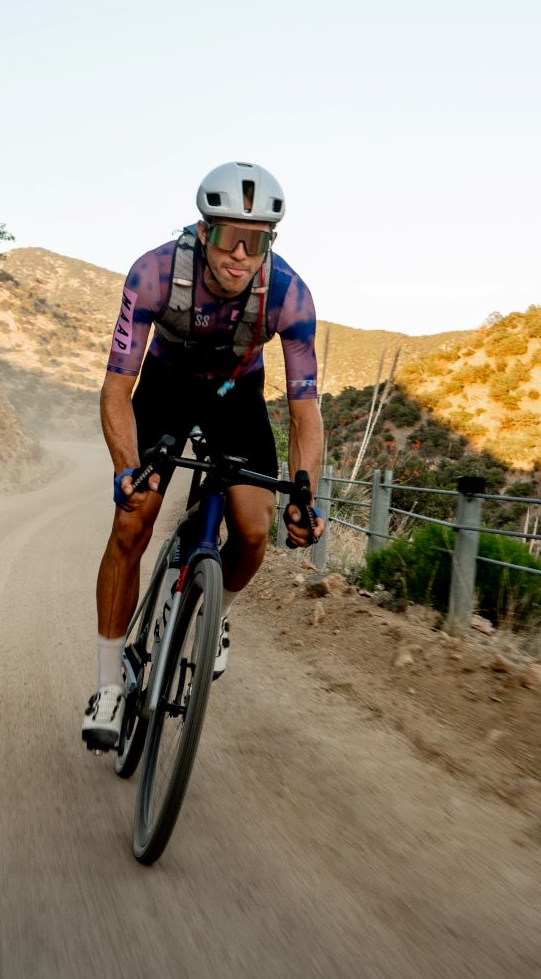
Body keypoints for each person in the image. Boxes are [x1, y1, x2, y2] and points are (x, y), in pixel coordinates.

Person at [83, 161, 326, 750]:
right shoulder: (154, 273)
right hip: (164, 390)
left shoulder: (290, 295)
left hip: (235, 397)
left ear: (271, 243)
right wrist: (126, 468)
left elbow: (305, 410)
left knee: (253, 531)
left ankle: (214, 612)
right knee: (132, 522)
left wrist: (304, 493)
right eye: (228, 236)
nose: (241, 254)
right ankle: (109, 686)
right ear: (203, 231)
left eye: (257, 241)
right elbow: (117, 387)